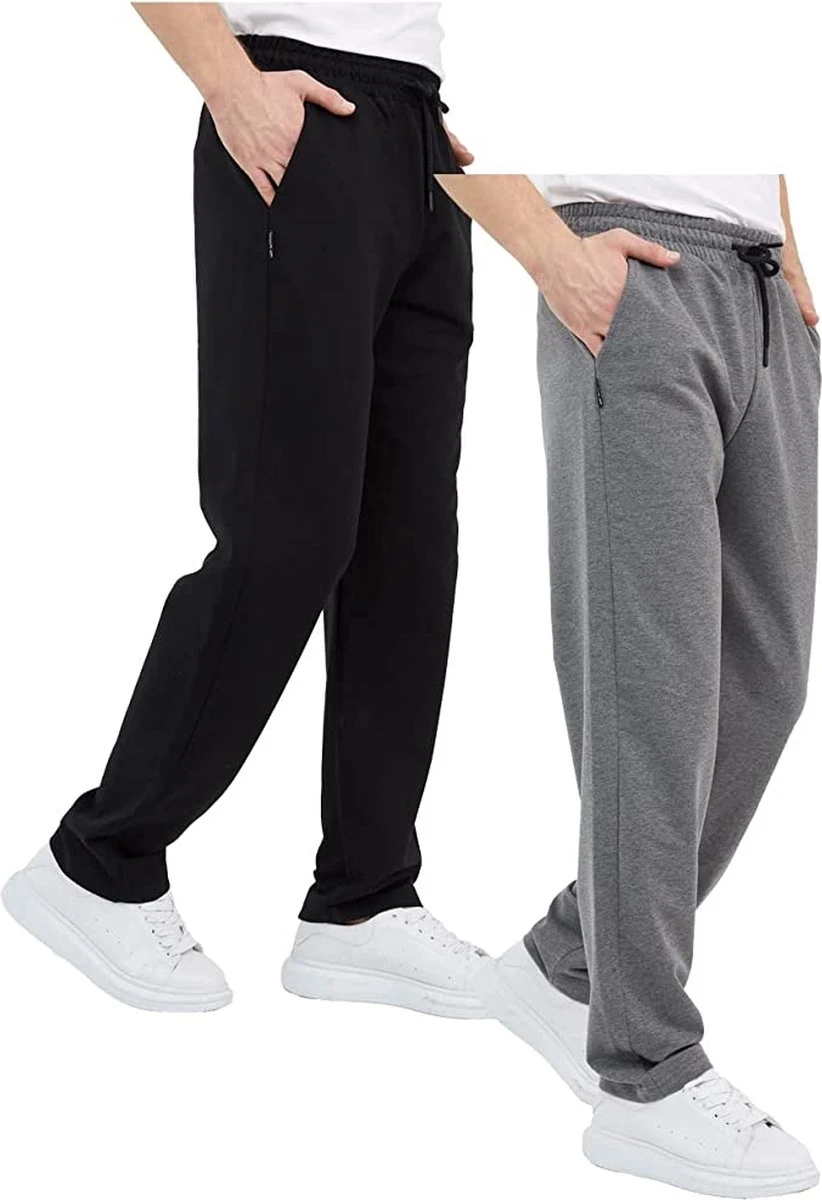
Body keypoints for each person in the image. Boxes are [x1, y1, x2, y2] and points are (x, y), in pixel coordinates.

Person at [2, 2, 487, 1017]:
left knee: (408, 548)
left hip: (420, 132)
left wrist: (418, 135)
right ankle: (100, 860)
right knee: (288, 529)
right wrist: (228, 81)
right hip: (295, 104)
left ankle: (364, 898)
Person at [436, 173, 819, 1197]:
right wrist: (550, 253)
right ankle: (645, 1073)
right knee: (652, 688)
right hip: (629, 268)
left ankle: (569, 958)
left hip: (761, 288)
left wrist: (789, 252)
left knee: (768, 680)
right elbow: (441, 108)